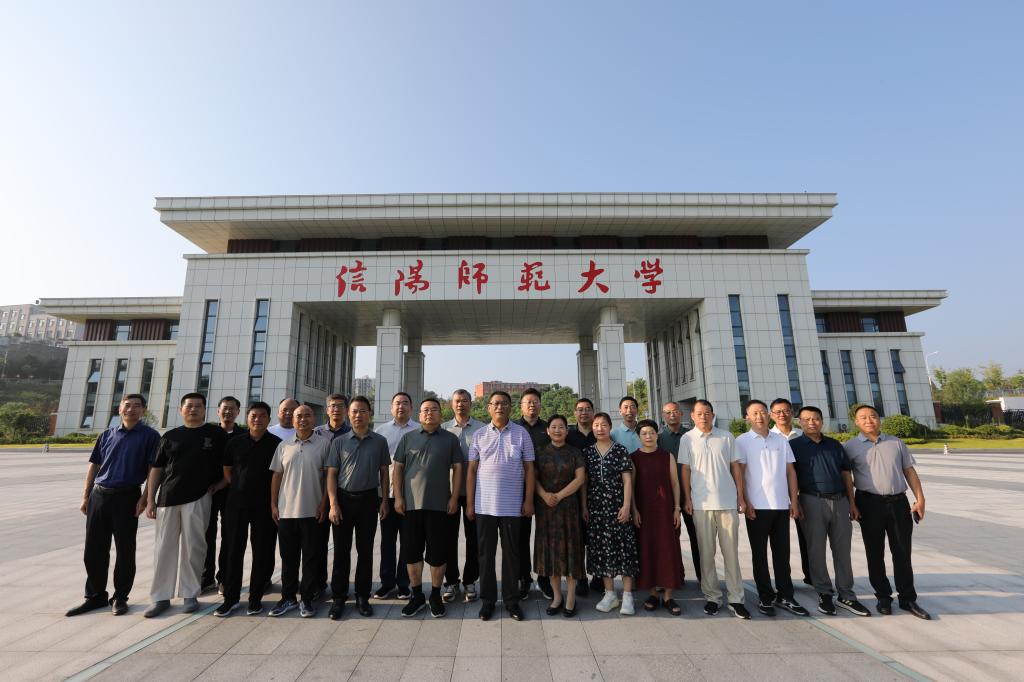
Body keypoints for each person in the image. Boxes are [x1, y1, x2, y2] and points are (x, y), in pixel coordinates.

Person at [67, 394, 159, 617]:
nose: (131, 409)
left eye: (137, 406)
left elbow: (153, 469)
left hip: (127, 497)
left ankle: (120, 597)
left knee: (125, 549)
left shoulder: (150, 436)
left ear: (143, 411)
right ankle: (95, 596)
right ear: (120, 409)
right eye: (127, 405)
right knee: (94, 549)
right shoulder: (107, 434)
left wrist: (145, 498)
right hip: (99, 496)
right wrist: (85, 496)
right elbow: (94, 466)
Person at [143, 393, 227, 618]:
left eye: (198, 406)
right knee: (163, 548)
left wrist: (221, 483)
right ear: (181, 410)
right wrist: (150, 500)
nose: (193, 409)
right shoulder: (170, 436)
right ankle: (161, 597)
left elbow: (229, 463)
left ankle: (190, 594)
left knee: (194, 547)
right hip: (167, 498)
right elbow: (157, 469)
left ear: (204, 410)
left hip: (199, 497)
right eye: (189, 406)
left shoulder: (215, 434)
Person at [845, 405, 931, 620]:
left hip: (898, 503)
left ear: (879, 419)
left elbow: (909, 471)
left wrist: (920, 499)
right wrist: (852, 503)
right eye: (863, 417)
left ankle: (907, 598)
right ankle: (883, 596)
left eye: (873, 416)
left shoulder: (896, 443)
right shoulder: (850, 447)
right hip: (868, 503)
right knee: (874, 553)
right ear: (856, 422)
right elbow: (846, 478)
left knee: (902, 552)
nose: (869, 420)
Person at [790, 406, 870, 617]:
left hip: (840, 501)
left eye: (816, 419)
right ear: (800, 422)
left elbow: (846, 474)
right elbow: (790, 476)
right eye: (807, 419)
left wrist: (852, 502)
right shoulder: (794, 446)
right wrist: (795, 502)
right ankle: (824, 593)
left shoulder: (834, 445)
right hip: (811, 501)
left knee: (842, 550)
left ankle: (846, 594)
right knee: (816, 550)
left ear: (822, 421)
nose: (811, 423)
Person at [466, 390, 535, 621]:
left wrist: (528, 500)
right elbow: (472, 471)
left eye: (504, 403)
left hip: (512, 507)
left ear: (510, 407)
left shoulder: (522, 434)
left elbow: (529, 469)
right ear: (488, 408)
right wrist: (470, 503)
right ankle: (487, 601)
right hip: (484, 506)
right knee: (485, 555)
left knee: (512, 555)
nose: (499, 407)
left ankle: (511, 601)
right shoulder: (479, 435)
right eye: (495, 403)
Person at [736, 400, 808, 617]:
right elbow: (740, 474)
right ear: (747, 417)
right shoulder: (742, 441)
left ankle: (786, 596)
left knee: (782, 554)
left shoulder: (780, 440)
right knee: (759, 555)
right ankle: (765, 597)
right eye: (754, 413)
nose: (759, 416)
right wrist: (745, 501)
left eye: (762, 412)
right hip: (757, 507)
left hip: (780, 506)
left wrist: (793, 501)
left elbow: (790, 472)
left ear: (768, 415)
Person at [393, 398, 464, 618]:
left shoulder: (450, 439)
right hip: (410, 506)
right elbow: (398, 468)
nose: (429, 413)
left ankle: (434, 595)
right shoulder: (408, 438)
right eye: (425, 410)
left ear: (441, 414)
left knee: (438, 554)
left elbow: (458, 469)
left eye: (434, 409)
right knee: (411, 553)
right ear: (419, 414)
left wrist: (454, 498)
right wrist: (398, 497)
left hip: (439, 506)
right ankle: (416, 595)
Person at [679, 400, 750, 619]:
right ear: (692, 416)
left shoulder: (726, 436)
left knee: (731, 554)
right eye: (699, 413)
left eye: (707, 413)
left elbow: (735, 467)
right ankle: (712, 597)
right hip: (701, 504)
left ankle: (736, 599)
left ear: (713, 414)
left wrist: (740, 496)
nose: (704, 417)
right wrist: (687, 498)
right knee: (706, 554)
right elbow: (685, 470)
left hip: (727, 502)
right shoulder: (687, 439)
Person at [325, 396, 390, 619]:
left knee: (365, 550)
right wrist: (333, 504)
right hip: (343, 499)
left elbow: (384, 473)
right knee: (341, 551)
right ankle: (339, 597)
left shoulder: (379, 441)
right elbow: (331, 475)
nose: (358, 415)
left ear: (369, 413)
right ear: (348, 414)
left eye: (362, 411)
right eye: (354, 411)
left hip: (369, 500)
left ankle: (363, 596)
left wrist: (384, 500)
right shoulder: (339, 442)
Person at [216, 401, 281, 617]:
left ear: (269, 419)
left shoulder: (277, 444)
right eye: (253, 415)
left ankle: (255, 599)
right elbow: (227, 471)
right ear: (247, 417)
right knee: (233, 550)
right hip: (236, 505)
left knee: (262, 551)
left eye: (262, 416)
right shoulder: (235, 443)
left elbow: (278, 475)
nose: (257, 419)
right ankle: (231, 599)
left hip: (264, 506)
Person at [269, 404, 330, 618]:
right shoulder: (283, 445)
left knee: (312, 557)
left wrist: (324, 504)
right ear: (293, 420)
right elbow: (277, 475)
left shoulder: (324, 444)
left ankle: (307, 599)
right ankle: (288, 598)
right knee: (288, 558)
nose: (303, 419)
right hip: (286, 512)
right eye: (299, 416)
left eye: (307, 416)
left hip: (313, 511)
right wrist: (273, 504)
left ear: (314, 419)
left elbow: (328, 478)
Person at [584, 412, 639, 616]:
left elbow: (627, 480)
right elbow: (585, 482)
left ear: (610, 427)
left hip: (617, 508)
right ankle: (610, 594)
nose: (599, 428)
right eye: (596, 425)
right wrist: (584, 507)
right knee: (602, 550)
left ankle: (628, 595)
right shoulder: (588, 452)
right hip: (597, 509)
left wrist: (626, 506)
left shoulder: (620, 450)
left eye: (603, 425)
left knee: (624, 549)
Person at [533, 414, 586, 617]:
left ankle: (570, 598)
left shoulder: (575, 452)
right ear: (548, 431)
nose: (557, 430)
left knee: (571, 552)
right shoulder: (540, 452)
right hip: (546, 509)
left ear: (567, 430)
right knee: (551, 554)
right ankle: (557, 597)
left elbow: (580, 479)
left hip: (569, 509)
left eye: (561, 427)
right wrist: (544, 495)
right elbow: (533, 478)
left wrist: (559, 495)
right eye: (553, 427)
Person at [631, 419, 684, 615]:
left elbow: (675, 484)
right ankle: (652, 594)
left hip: (665, 511)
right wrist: (634, 510)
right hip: (644, 512)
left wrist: (676, 508)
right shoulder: (633, 458)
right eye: (644, 433)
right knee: (647, 550)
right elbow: (631, 487)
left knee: (668, 550)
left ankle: (668, 596)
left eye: (652, 433)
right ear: (639, 437)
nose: (648, 436)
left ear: (657, 435)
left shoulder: (667, 456)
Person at [372, 392, 419, 600]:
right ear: (391, 408)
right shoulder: (380, 432)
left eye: (405, 403)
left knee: (408, 541)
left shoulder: (419, 430)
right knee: (387, 541)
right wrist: (381, 498)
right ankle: (387, 583)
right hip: (387, 495)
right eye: (397, 403)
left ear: (411, 408)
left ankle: (404, 584)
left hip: (411, 495)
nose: (401, 406)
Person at [440, 389, 485, 603]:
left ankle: (470, 581)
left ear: (471, 404)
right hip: (448, 493)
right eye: (457, 401)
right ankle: (451, 581)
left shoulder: (482, 429)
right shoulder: (442, 429)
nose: (461, 404)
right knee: (447, 538)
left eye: (465, 401)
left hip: (473, 493)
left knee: (473, 540)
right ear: (452, 404)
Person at [311, 394, 351, 601]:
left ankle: (339, 588)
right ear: (327, 410)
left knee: (341, 546)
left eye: (340, 406)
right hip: (318, 496)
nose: (336, 409)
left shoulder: (352, 433)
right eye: (332, 406)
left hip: (342, 496)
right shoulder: (316, 432)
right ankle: (318, 583)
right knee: (317, 543)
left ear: (346, 410)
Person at [657, 401, 701, 585]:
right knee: (670, 540)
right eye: (668, 412)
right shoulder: (659, 439)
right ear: (663, 416)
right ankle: (675, 577)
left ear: (681, 414)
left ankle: (703, 578)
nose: (672, 415)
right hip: (668, 497)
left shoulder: (691, 436)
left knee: (697, 538)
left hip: (693, 495)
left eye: (675, 411)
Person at [769, 398, 811, 586]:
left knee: (808, 537)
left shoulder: (803, 435)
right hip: (776, 496)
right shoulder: (768, 437)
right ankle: (783, 581)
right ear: (771, 415)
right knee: (780, 543)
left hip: (803, 494)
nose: (782, 415)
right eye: (777, 412)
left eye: (786, 411)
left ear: (792, 413)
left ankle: (812, 575)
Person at [204, 396, 244, 595]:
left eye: (232, 409)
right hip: (208, 491)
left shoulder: (243, 435)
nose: (228, 412)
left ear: (238, 412)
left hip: (233, 492)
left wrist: (224, 482)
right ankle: (206, 578)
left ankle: (225, 579)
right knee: (206, 535)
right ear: (218, 411)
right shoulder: (208, 433)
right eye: (224, 408)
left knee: (230, 536)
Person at [514, 387, 550, 599]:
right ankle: (524, 578)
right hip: (520, 489)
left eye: (535, 401)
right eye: (528, 402)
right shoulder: (514, 428)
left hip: (546, 489)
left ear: (540, 405)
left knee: (545, 536)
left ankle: (544, 578)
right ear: (521, 406)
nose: (532, 405)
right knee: (521, 536)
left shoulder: (548, 428)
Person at [567, 397, 598, 595]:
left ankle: (598, 576)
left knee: (597, 537)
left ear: (593, 412)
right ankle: (581, 578)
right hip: (573, 494)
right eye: (580, 409)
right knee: (577, 538)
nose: (584, 412)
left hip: (599, 493)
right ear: (575, 413)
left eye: (587, 409)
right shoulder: (569, 436)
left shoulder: (600, 433)